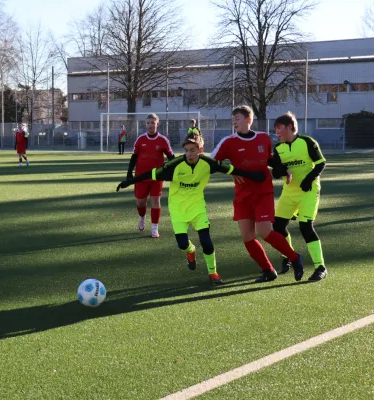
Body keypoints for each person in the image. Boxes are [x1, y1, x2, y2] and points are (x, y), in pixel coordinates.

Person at [117, 133, 265, 284]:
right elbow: (152, 173)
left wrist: (253, 175)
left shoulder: (208, 163)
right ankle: (191, 251)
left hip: (197, 207)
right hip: (178, 209)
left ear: (200, 149)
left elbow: (229, 168)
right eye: (187, 150)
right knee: (183, 245)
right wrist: (130, 182)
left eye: (193, 150)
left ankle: (213, 273)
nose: (189, 153)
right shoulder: (174, 165)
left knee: (206, 242)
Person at [211, 105, 304, 283]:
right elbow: (211, 161)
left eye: (237, 118)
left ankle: (294, 257)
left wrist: (284, 170)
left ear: (248, 119)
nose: (234, 122)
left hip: (263, 191)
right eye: (233, 119)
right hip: (242, 195)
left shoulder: (262, 138)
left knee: (264, 231)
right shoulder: (228, 141)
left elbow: (271, 159)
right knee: (247, 236)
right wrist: (231, 171)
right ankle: (268, 270)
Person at [271, 112, 328, 281]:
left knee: (305, 226)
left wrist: (309, 179)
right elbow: (275, 171)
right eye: (275, 130)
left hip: (308, 191)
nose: (277, 132)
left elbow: (321, 163)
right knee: (278, 227)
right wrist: (284, 171)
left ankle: (320, 267)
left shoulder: (307, 142)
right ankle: (288, 256)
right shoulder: (278, 148)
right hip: (289, 192)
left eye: (279, 128)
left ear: (290, 127)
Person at [127, 113, 175, 238]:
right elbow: (134, 157)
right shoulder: (140, 139)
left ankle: (154, 228)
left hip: (156, 177)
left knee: (155, 201)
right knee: (141, 202)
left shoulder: (163, 140)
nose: (150, 125)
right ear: (145, 124)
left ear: (157, 124)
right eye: (148, 123)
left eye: (152, 123)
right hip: (141, 177)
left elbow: (171, 158)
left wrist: (172, 171)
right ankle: (142, 218)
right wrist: (129, 172)